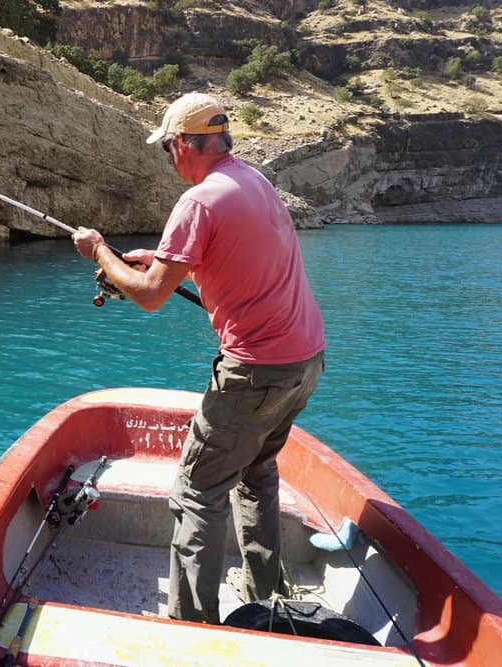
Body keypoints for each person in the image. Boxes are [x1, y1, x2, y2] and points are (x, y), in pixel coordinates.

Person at [72, 92, 326, 625]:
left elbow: (147, 295)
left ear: (184, 144)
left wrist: (99, 251)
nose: (170, 159)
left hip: (254, 372)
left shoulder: (199, 202)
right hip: (304, 363)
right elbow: (207, 260)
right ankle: (268, 594)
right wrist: (154, 261)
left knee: (196, 490)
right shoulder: (253, 182)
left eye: (168, 148)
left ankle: (193, 626)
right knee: (257, 471)